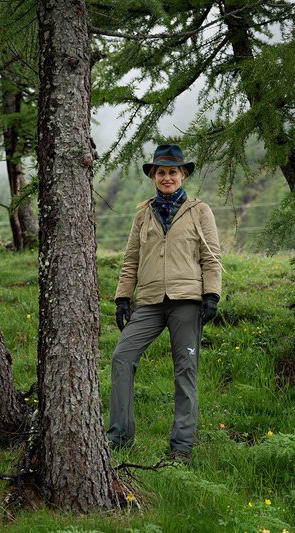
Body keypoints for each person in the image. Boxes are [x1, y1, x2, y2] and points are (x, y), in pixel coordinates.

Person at [107, 144, 222, 462]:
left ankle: (181, 447)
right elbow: (131, 259)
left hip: (187, 301)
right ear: (153, 176)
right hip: (148, 301)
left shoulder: (200, 211)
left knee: (185, 369)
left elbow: (211, 258)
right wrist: (122, 298)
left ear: (183, 174)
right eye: (161, 172)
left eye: (173, 171)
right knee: (121, 357)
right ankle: (119, 437)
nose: (167, 177)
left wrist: (211, 294)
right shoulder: (143, 214)